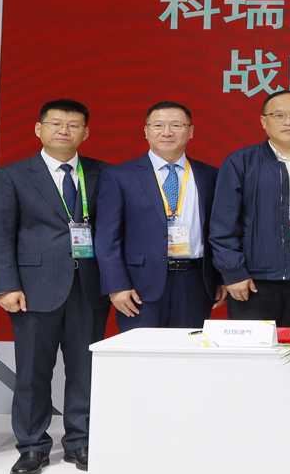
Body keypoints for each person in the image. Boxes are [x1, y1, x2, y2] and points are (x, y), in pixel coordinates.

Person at [0, 98, 110, 474]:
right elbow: (0, 235)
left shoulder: (103, 173)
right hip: (33, 288)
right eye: (55, 123)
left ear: (86, 132)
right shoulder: (13, 176)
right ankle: (32, 446)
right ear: (39, 129)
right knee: (32, 372)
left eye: (73, 125)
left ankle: (80, 441)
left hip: (89, 287)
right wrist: (6, 285)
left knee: (85, 369)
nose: (64, 131)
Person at [210, 90, 290, 329]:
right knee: (255, 349)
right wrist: (234, 273)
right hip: (255, 280)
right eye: (279, 115)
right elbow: (223, 225)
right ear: (263, 121)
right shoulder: (242, 162)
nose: (288, 122)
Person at [95, 101, 223, 331]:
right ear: (146, 131)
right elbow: (107, 237)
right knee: (142, 351)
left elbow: (219, 231)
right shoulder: (119, 176)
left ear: (191, 131)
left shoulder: (210, 175)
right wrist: (117, 285)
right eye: (158, 125)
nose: (167, 132)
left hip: (195, 283)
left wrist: (221, 278)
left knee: (188, 349)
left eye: (176, 125)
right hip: (139, 287)